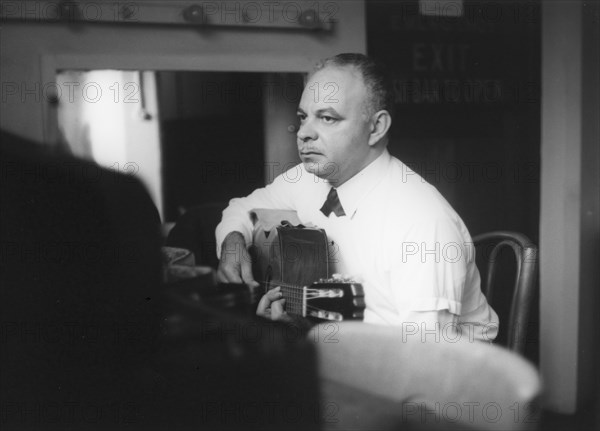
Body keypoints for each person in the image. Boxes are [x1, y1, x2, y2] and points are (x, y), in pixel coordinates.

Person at [215, 53, 498, 341]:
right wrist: (233, 244)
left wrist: (311, 335)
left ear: (376, 128)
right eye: (303, 117)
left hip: (434, 375)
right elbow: (242, 208)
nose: (303, 133)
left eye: (327, 118)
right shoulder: (307, 177)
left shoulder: (423, 224)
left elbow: (425, 361)